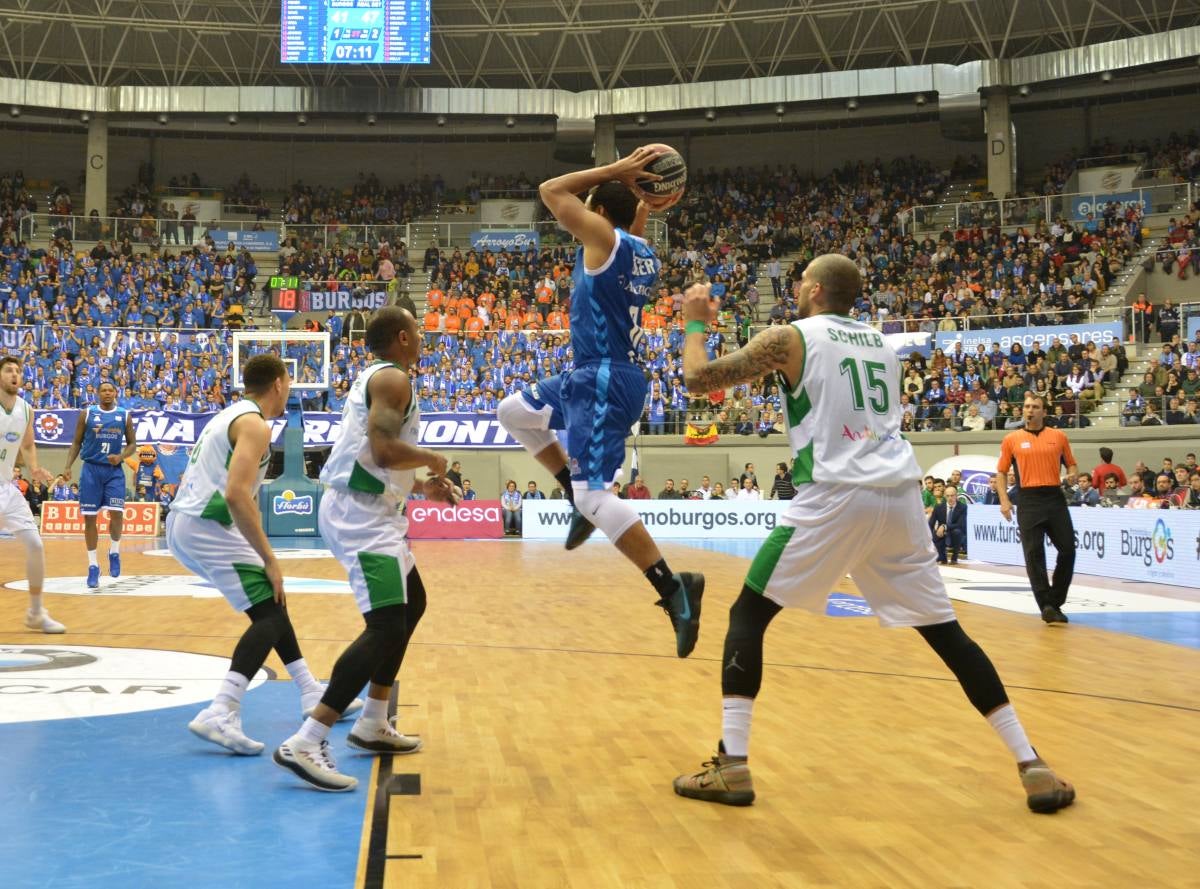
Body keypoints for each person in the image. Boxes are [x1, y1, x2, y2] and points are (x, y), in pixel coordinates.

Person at [670, 259, 1074, 814]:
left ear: (813, 290)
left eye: (797, 283)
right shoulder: (881, 345)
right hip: (900, 497)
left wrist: (694, 323)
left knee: (747, 616)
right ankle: (1033, 765)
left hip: (834, 494)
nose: (793, 290)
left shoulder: (790, 337)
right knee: (948, 637)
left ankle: (733, 768)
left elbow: (697, 381)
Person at [495, 146, 703, 658]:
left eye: (590, 207)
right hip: (595, 374)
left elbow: (550, 191)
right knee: (512, 412)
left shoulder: (605, 239)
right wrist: (640, 199)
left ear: (600, 214)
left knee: (597, 496)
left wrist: (617, 172)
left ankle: (674, 587)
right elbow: (627, 220)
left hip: (604, 376)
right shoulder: (640, 248)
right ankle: (572, 492)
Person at [275, 308, 457, 792]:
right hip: (361, 518)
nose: (422, 338)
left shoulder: (382, 377)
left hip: (371, 507)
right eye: (418, 331)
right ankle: (308, 739)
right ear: (403, 336)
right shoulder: (394, 379)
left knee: (412, 603)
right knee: (384, 627)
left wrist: (420, 487)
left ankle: (373, 720)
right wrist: (431, 459)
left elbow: (375, 463)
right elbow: (380, 451)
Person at [168, 355, 359, 756]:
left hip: (192, 521)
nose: (289, 386)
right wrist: (270, 558)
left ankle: (309, 690)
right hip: (208, 524)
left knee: (271, 604)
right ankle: (222, 708)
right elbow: (237, 494)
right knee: (270, 613)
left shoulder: (234, 414)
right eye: (288, 379)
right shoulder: (253, 423)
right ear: (277, 383)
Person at [996, 393, 1078, 625]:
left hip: (1054, 498)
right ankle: (1046, 606)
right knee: (1034, 554)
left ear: (1044, 411)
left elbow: (1071, 463)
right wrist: (1004, 500)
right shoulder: (1012, 439)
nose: (1029, 410)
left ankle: (1055, 599)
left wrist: (1072, 474)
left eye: (1035, 406)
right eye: (1026, 406)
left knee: (1068, 550)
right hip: (1028, 499)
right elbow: (1001, 472)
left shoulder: (1058, 436)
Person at [0, 357, 64, 633]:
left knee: (36, 546)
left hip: (6, 488)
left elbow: (27, 443)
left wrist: (34, 467)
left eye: (18, 371)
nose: (14, 374)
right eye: (8, 370)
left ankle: (36, 612)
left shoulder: (26, 409)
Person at [61, 380, 137, 588]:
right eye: (103, 390)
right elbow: (76, 442)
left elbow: (132, 444)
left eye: (110, 390)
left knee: (117, 513)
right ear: (97, 393)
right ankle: (93, 566)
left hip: (113, 471)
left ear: (115, 393)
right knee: (89, 519)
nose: (106, 393)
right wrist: (68, 466)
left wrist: (121, 456)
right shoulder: (87, 414)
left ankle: (114, 551)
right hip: (91, 470)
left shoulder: (124, 415)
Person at [929, 484, 968, 564]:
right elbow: (931, 523)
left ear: (956, 495)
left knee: (957, 532)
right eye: (948, 496)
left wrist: (944, 526)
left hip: (955, 531)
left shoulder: (963, 507)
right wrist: (930, 535)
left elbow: (960, 524)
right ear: (944, 496)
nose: (950, 498)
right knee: (935, 532)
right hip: (942, 532)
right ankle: (942, 557)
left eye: (952, 496)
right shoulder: (938, 507)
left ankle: (955, 557)